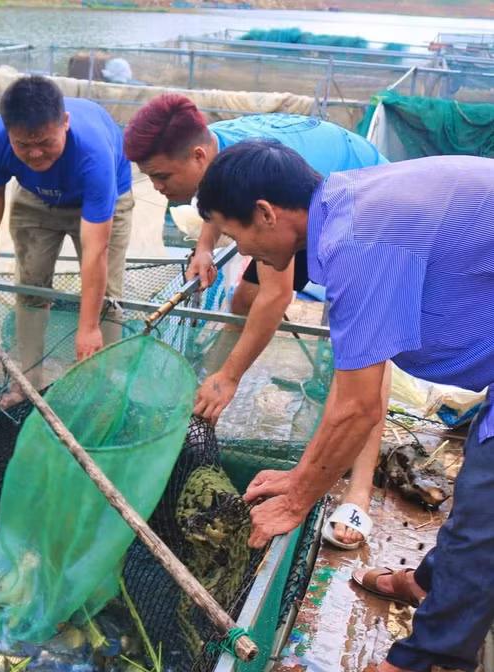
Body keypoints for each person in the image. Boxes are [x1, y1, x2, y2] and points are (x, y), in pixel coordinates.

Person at [195, 139, 494, 672]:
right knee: (479, 483)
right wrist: (303, 477)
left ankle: (428, 659)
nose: (243, 251)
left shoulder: (358, 240)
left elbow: (359, 408)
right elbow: (355, 389)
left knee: (487, 507)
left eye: (235, 233)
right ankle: (430, 586)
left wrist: (296, 500)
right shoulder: (346, 206)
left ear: (265, 213)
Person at [122, 95, 390, 549]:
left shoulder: (328, 226)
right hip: (304, 204)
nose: (158, 188)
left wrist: (231, 376)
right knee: (243, 294)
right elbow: (220, 205)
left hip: (355, 193)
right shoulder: (223, 154)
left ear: (200, 156)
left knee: (363, 350)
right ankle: (217, 387)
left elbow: (277, 294)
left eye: (162, 176)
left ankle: (359, 491)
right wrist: (205, 246)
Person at [0, 76, 133, 408]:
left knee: (106, 300)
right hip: (35, 198)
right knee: (30, 288)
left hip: (99, 199)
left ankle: (103, 394)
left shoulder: (93, 152)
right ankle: (26, 385)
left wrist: (86, 328)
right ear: (8, 132)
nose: (35, 153)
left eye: (45, 141)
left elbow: (95, 250)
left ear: (65, 124)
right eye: (23, 145)